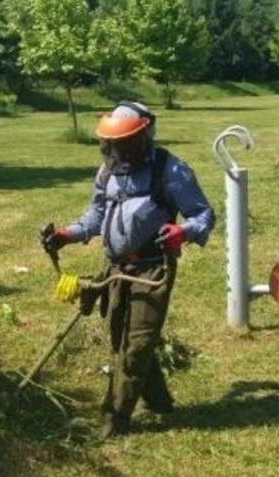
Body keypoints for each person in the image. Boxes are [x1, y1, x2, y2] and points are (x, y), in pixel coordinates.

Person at [42, 101, 216, 438]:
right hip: (114, 269)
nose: (118, 150)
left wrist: (183, 231)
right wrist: (65, 235)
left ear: (144, 134)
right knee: (123, 339)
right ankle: (160, 402)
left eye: (125, 143)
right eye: (112, 144)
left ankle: (113, 420)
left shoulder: (170, 169)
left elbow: (203, 214)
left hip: (152, 269)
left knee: (135, 346)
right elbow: (96, 217)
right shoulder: (108, 170)